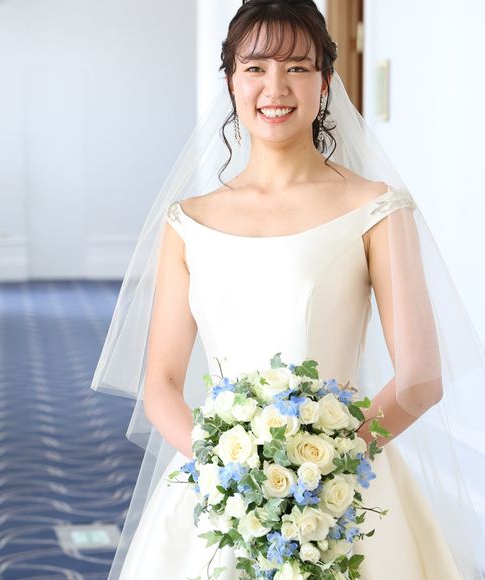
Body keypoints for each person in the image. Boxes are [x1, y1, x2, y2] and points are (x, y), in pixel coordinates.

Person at [91, 1, 484, 578]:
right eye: (255, 68)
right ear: (231, 81)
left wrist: (327, 467)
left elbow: (421, 378)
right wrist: (229, 474)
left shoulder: (377, 208)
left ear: (325, 82)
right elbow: (161, 386)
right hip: (218, 491)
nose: (275, 87)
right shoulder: (187, 221)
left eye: (297, 67)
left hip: (345, 493)